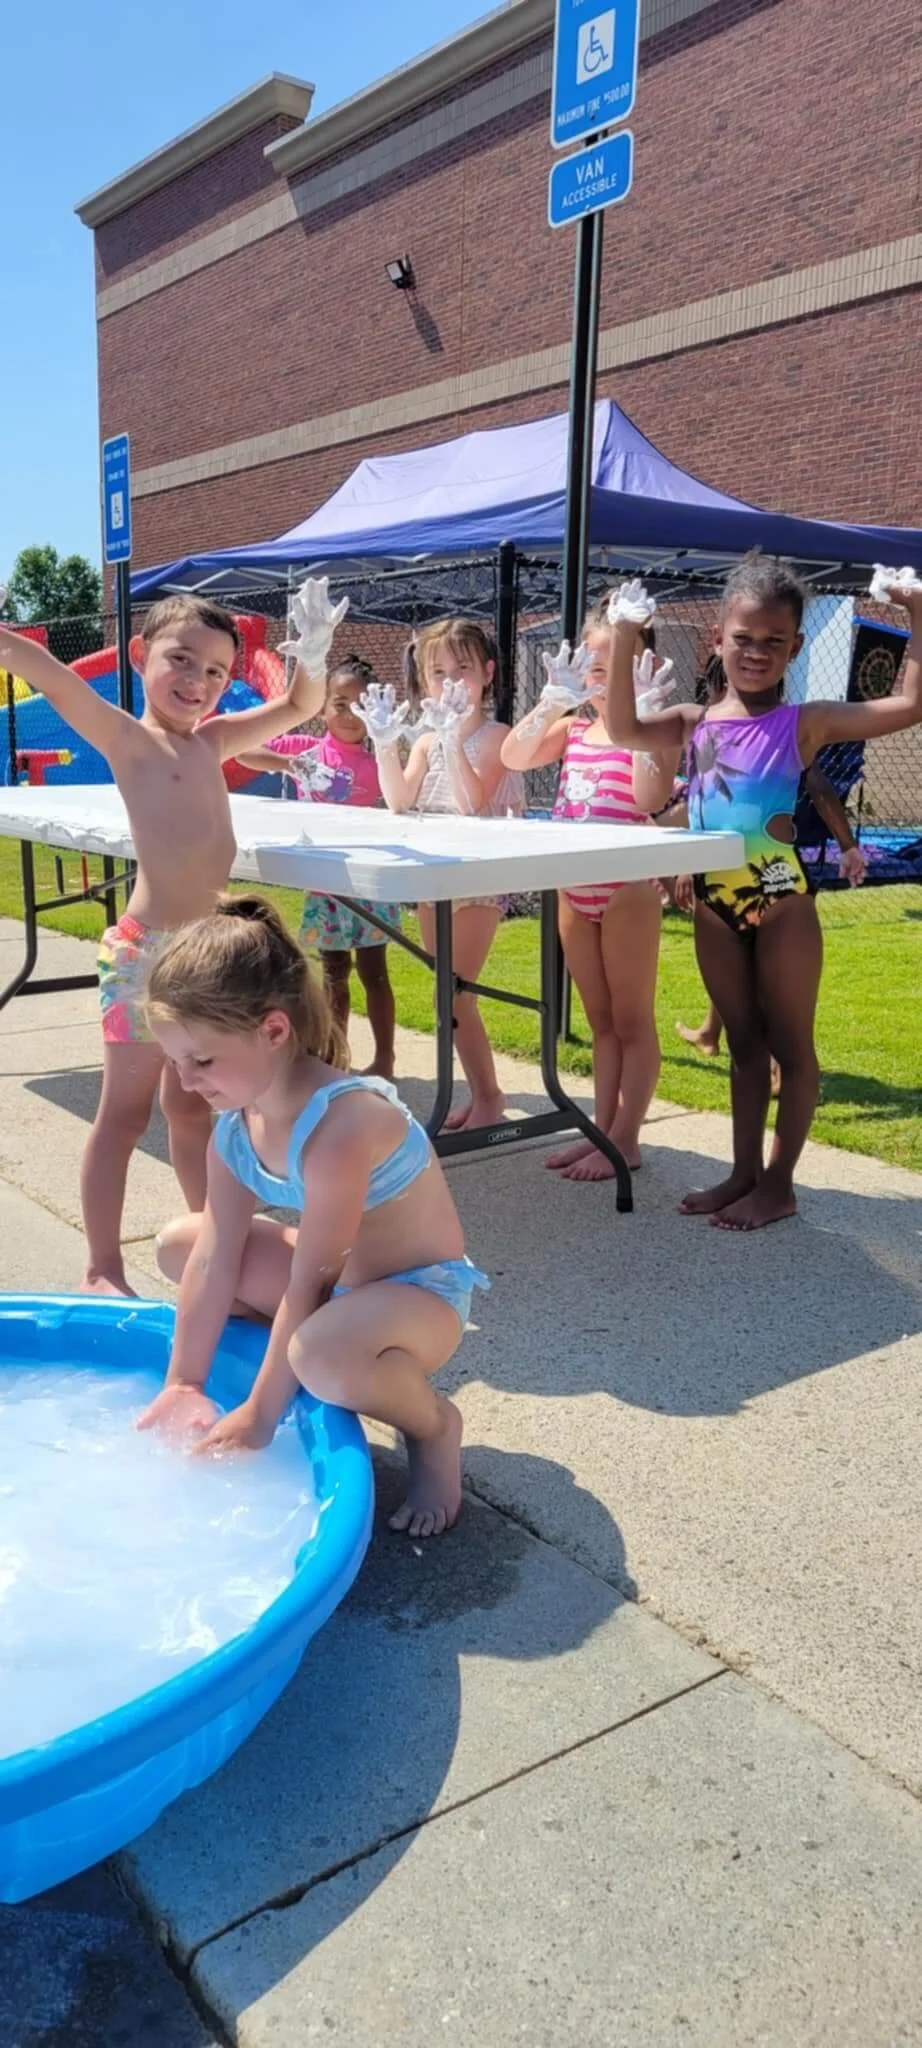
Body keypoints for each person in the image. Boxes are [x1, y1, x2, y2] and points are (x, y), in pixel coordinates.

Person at [0, 578, 346, 1293]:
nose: (198, 682)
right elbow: (48, 675)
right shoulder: (129, 739)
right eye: (181, 660)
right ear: (139, 655)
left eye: (217, 671)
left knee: (195, 1107)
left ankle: (210, 1241)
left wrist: (311, 653)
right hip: (146, 957)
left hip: (207, 959)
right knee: (123, 1115)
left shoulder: (215, 741)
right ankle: (102, 1264)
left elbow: (301, 705)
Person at [138, 896, 487, 1537]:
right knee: (180, 1247)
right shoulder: (236, 1129)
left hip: (418, 1296)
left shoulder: (341, 1126)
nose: (187, 1083)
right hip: (341, 1281)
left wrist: (260, 1413)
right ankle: (307, 1350)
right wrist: (183, 1382)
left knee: (318, 1357)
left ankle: (434, 1426)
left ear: (273, 1030)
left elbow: (311, 1283)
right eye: (176, 1061)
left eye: (203, 1061)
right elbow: (217, 1255)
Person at [604, 555, 922, 1231]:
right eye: (743, 638)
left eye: (773, 642)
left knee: (791, 1048)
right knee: (744, 1045)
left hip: (780, 900)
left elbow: (910, 706)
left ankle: (779, 1183)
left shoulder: (803, 722)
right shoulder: (694, 723)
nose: (755, 653)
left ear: (796, 648)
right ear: (718, 637)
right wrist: (627, 636)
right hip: (716, 904)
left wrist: (916, 612)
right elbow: (625, 731)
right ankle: (743, 1173)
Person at [501, 605, 679, 1179]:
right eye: (591, 662)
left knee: (632, 1021)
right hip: (574, 886)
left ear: (640, 662)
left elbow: (651, 798)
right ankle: (604, 1133)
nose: (599, 675)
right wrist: (553, 699)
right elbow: (514, 757)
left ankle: (628, 1139)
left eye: (613, 663)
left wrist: (646, 719)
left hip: (627, 887)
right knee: (599, 1020)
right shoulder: (575, 727)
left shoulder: (653, 726)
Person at [355, 618, 524, 1131]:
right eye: (438, 673)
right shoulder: (426, 741)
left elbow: (473, 804)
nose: (450, 681)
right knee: (446, 997)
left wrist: (452, 741)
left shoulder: (498, 737)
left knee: (456, 996)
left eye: (463, 669)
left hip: (475, 883)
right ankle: (480, 1093)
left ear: (488, 673)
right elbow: (400, 800)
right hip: (434, 882)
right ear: (423, 682)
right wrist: (385, 742)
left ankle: (490, 1097)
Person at [671, 657, 868, 1078]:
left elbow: (818, 786)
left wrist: (849, 845)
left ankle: (779, 1065)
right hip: (722, 872)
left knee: (764, 968)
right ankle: (712, 1031)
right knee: (733, 956)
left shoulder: (777, 733)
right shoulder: (709, 734)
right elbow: (702, 802)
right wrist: (690, 864)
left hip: (769, 869)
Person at [237, 655, 400, 1078]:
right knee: (333, 974)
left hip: (367, 880)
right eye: (340, 703)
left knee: (374, 973)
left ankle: (385, 1059)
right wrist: (291, 765)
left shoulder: (378, 760)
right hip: (323, 885)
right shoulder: (306, 749)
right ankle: (335, 1058)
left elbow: (402, 798)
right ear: (323, 707)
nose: (348, 714)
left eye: (359, 705)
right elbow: (245, 753)